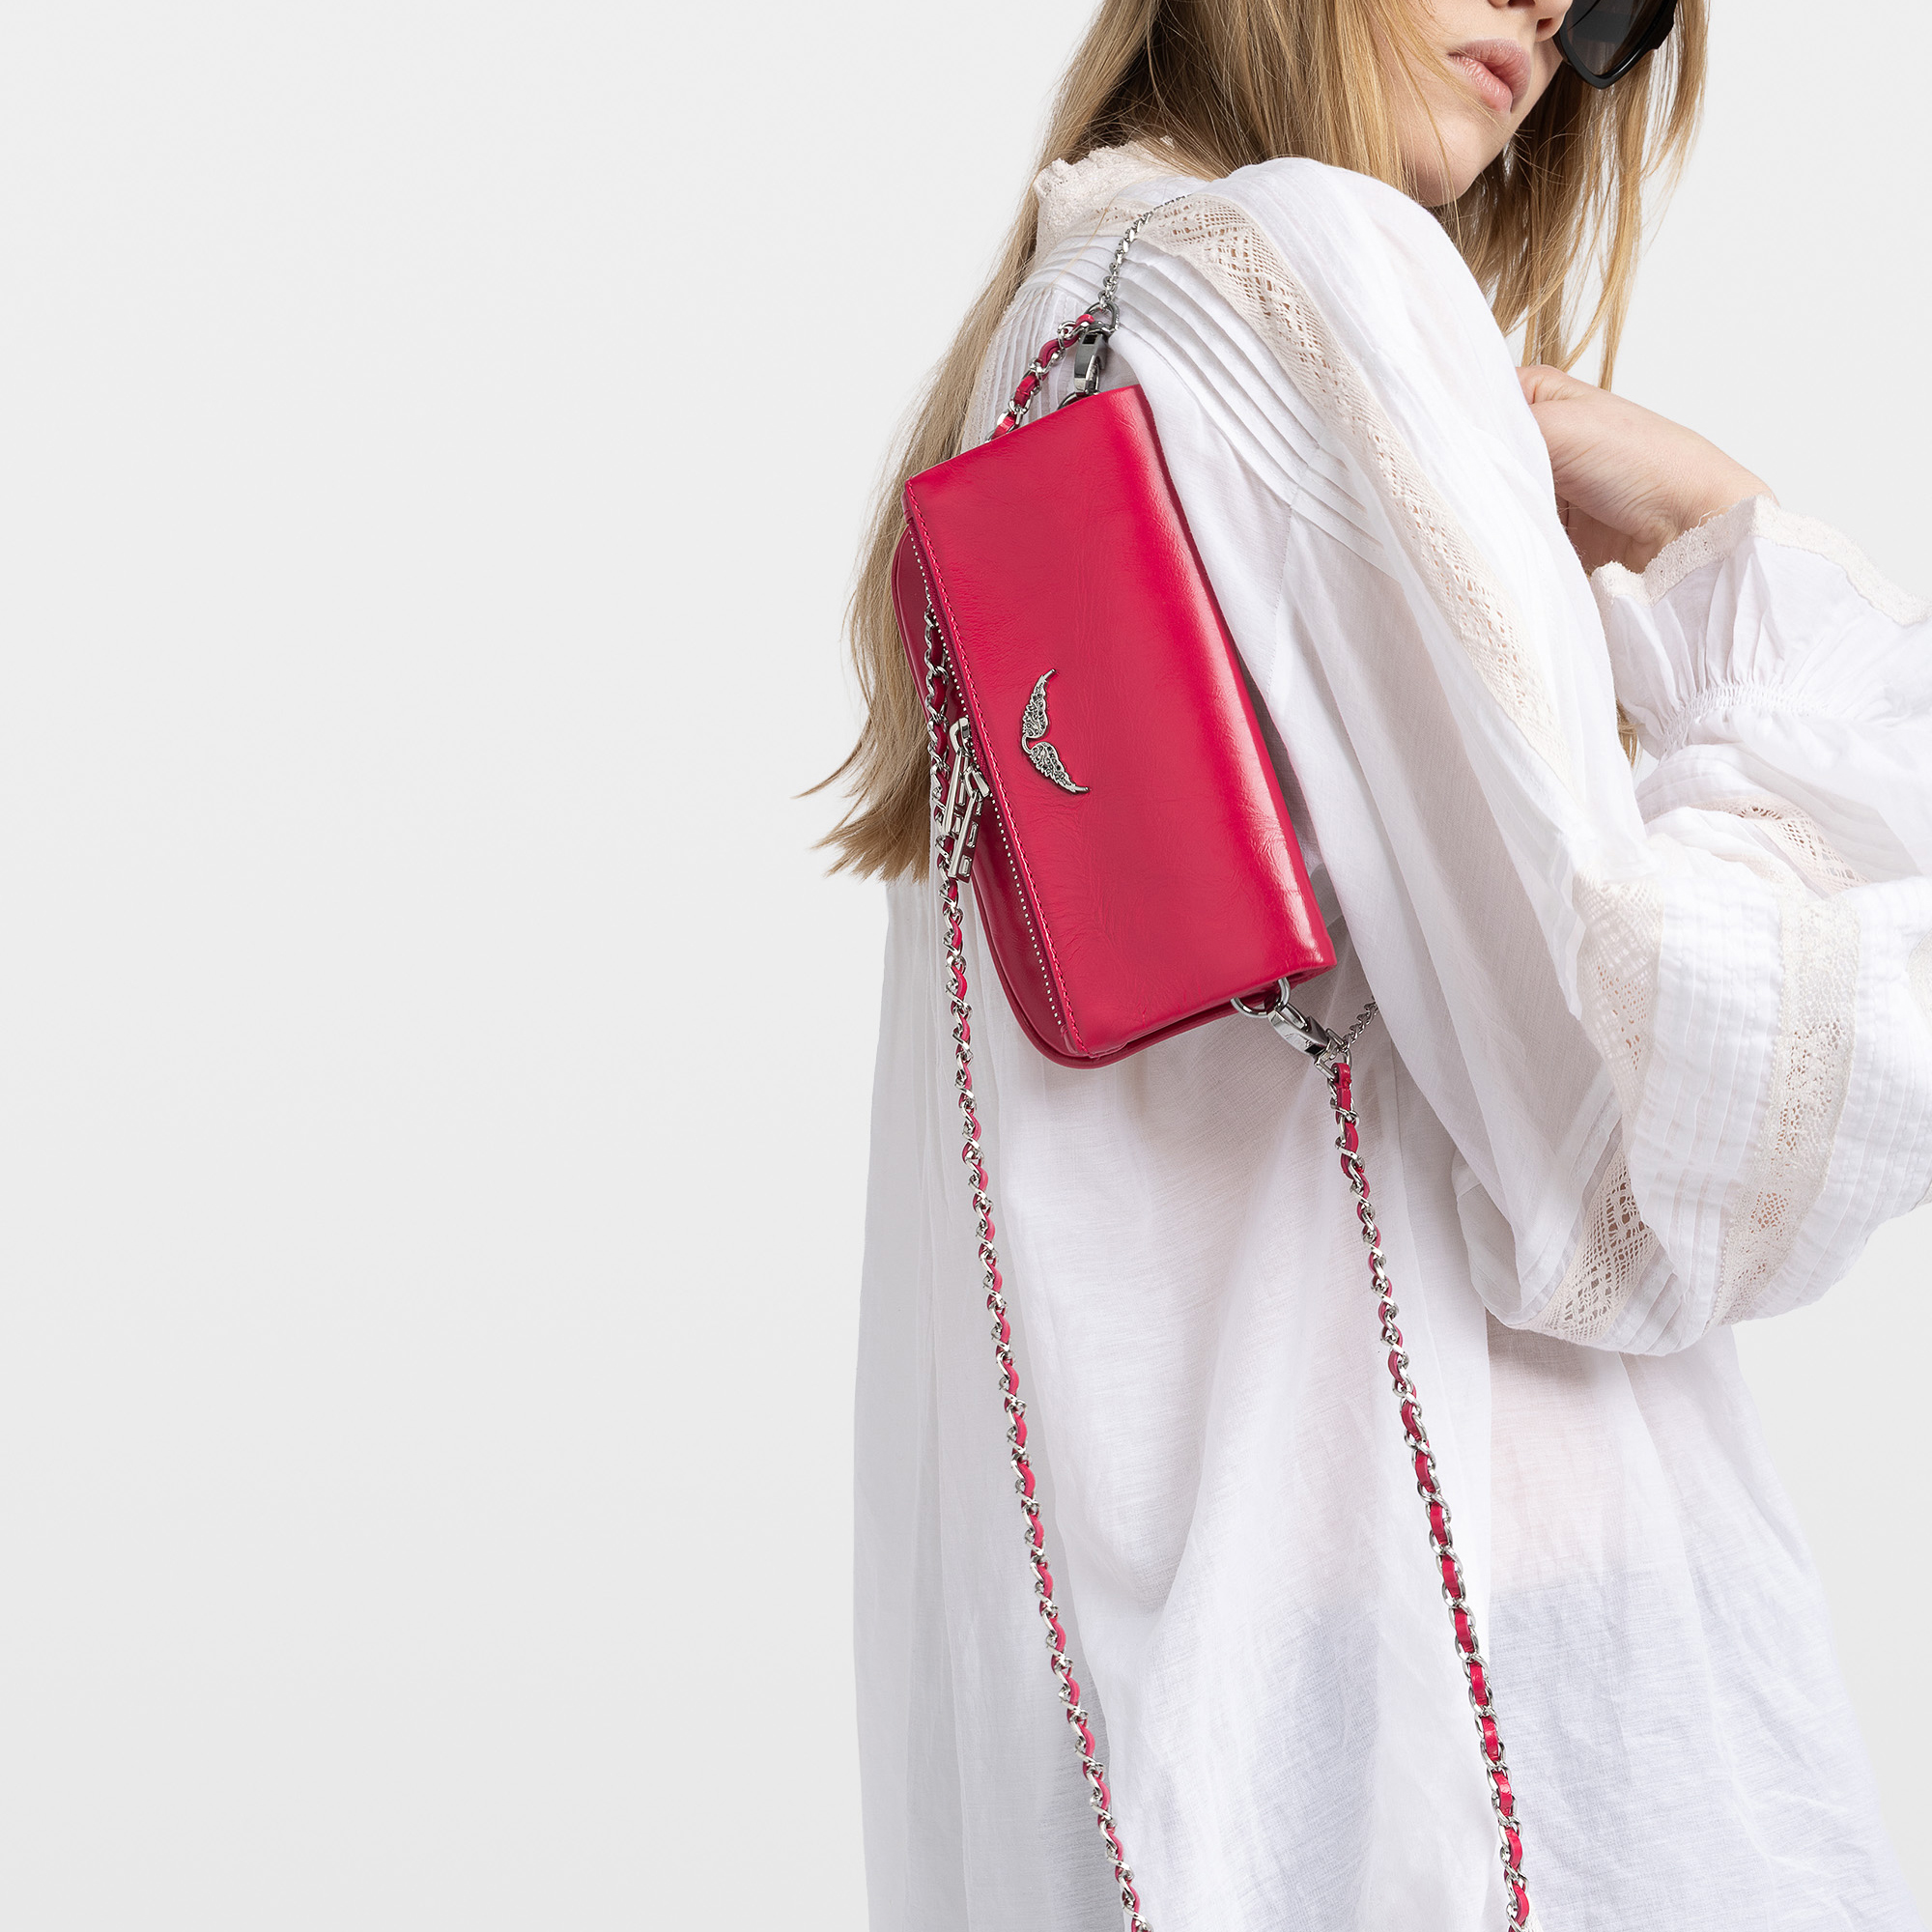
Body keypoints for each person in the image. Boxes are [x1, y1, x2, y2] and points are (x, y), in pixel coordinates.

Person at [824, 3, 1931, 1926]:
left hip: (1214, 1715)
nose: (1555, 10)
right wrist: (1743, 570)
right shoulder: (1304, 266)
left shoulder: (1054, 343)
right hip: (1492, 1705)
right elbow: (1646, 1133)